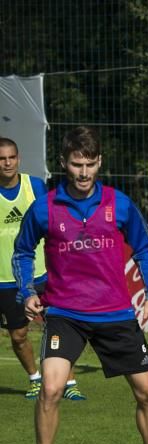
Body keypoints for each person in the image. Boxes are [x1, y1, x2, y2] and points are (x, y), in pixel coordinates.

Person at [13, 126, 148, 444]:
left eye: (90, 164)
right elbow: (23, 251)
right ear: (63, 164)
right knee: (52, 389)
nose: (84, 172)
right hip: (64, 313)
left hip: (115, 313)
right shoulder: (46, 206)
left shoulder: (118, 203)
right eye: (76, 164)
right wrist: (26, 291)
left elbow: (146, 247)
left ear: (99, 162)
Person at [0, 137, 85, 400]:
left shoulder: (34, 186)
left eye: (11, 157)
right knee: (18, 335)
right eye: (1, 159)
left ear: (19, 158)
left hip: (44, 273)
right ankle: (35, 378)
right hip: (6, 279)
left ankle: (69, 383)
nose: (7, 163)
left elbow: (56, 219)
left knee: (61, 327)